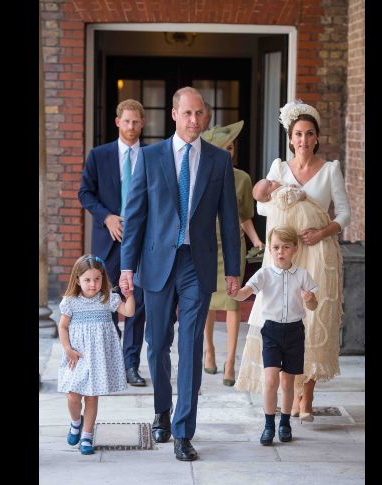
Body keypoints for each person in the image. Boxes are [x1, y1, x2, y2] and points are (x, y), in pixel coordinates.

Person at [119, 86, 241, 461]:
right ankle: (161, 411)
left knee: (190, 347)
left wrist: (234, 269)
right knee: (157, 345)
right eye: (187, 114)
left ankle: (184, 431)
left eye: (199, 114)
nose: (194, 121)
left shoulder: (219, 161)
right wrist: (126, 266)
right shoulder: (151, 157)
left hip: (196, 265)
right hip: (155, 264)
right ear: (174, 115)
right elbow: (135, 214)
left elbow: (230, 220)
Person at [234, 99, 351, 423]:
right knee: (284, 318)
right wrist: (273, 191)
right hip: (286, 253)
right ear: (291, 137)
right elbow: (261, 204)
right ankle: (289, 391)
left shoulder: (330, 170)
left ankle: (307, 396)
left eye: (309, 134)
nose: (303, 139)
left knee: (314, 321)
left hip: (318, 253)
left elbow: (344, 213)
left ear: (316, 137)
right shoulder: (279, 168)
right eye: (298, 134)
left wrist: (324, 230)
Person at [78, 99, 148, 386]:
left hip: (142, 242)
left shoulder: (151, 156)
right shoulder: (99, 155)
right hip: (108, 242)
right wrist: (106, 217)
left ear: (143, 123)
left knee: (136, 302)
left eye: (136, 121)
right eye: (126, 121)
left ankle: (131, 364)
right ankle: (112, 358)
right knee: (106, 300)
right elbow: (85, 193)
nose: (131, 126)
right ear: (117, 121)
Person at [232, 226, 317, 445]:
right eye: (276, 247)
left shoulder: (302, 275)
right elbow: (245, 293)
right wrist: (236, 292)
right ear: (270, 249)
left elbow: (314, 304)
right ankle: (269, 425)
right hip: (271, 331)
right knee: (270, 380)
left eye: (286, 247)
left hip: (295, 332)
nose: (281, 252)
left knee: (287, 382)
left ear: (294, 249)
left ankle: (285, 423)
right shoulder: (265, 274)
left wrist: (309, 300)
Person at [199, 120, 264, 386]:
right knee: (208, 302)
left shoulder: (243, 179)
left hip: (233, 247)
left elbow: (246, 216)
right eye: (223, 148)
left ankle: (230, 362)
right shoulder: (201, 175)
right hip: (206, 246)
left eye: (231, 147)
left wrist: (258, 242)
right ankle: (210, 350)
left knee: (234, 301)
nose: (228, 152)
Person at [57, 254, 135, 455]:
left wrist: (130, 295)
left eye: (97, 279)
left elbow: (128, 312)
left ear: (103, 278)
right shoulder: (71, 302)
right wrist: (68, 350)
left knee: (92, 397)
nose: (93, 284)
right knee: (73, 394)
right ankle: (76, 422)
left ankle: (87, 435)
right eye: (87, 280)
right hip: (78, 355)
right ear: (78, 280)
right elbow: (63, 327)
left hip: (99, 357)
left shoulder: (107, 297)